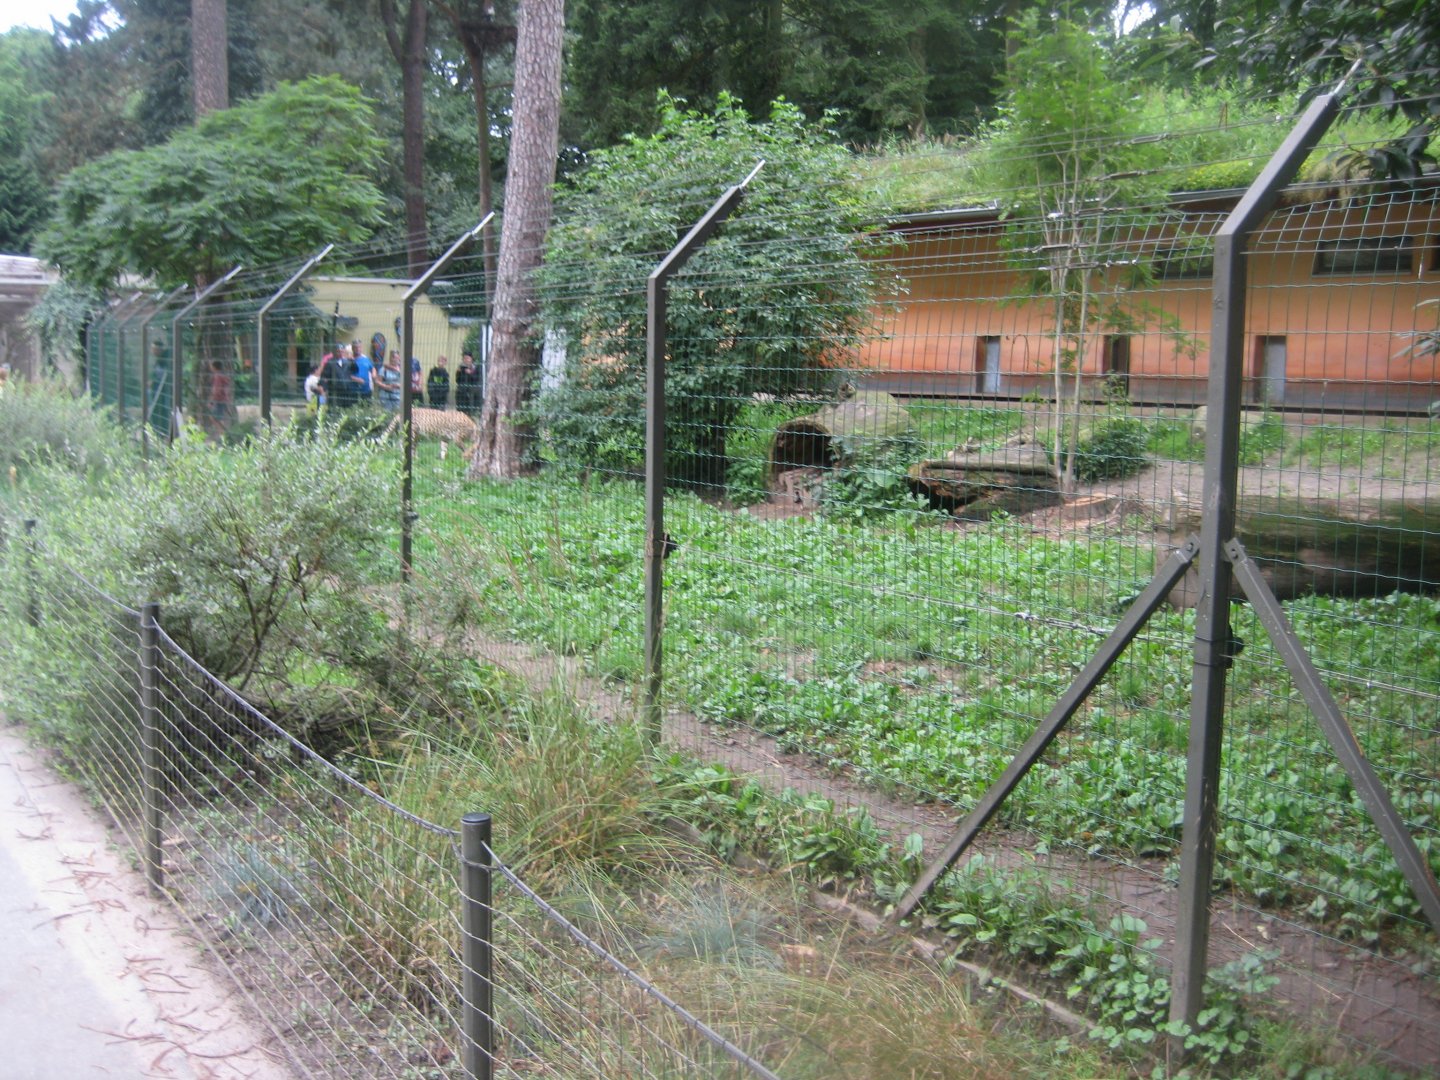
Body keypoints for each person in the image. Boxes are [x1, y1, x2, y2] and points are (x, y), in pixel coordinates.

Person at [205, 359, 233, 437]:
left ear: (214, 367)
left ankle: (222, 435)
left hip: (219, 400)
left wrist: (211, 401)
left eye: (211, 365)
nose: (210, 367)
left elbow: (216, 390)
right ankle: (222, 434)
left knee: (215, 418)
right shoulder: (222, 376)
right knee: (219, 418)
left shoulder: (217, 376)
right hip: (224, 399)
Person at [455, 351, 481, 416]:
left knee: (471, 410)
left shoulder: (476, 367)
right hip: (462, 392)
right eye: (464, 358)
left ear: (471, 359)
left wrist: (470, 373)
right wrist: (458, 373)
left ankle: (471, 414)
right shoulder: (461, 368)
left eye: (467, 358)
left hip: (472, 391)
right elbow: (457, 380)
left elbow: (477, 379)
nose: (466, 360)